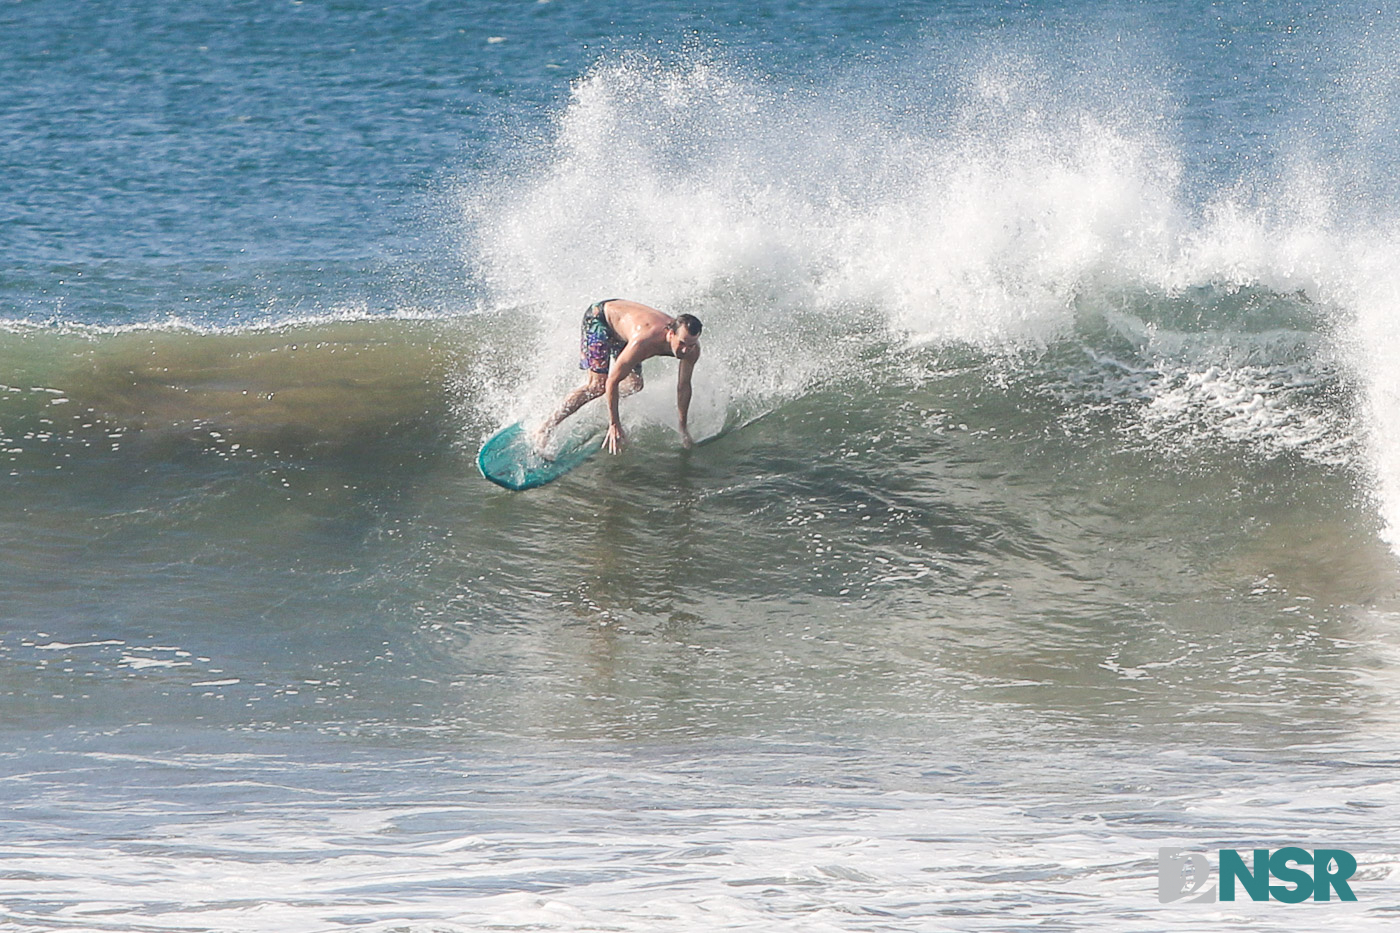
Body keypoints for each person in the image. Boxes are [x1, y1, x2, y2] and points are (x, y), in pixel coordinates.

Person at [538, 298, 702, 454]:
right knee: (598, 386)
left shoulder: (691, 350)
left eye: (691, 345)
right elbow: (612, 381)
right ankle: (544, 429)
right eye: (682, 343)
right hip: (600, 319)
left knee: (635, 384)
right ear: (671, 334)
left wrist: (683, 428)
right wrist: (614, 424)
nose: (685, 350)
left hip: (622, 333)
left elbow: (683, 387)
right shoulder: (644, 342)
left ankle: (605, 403)